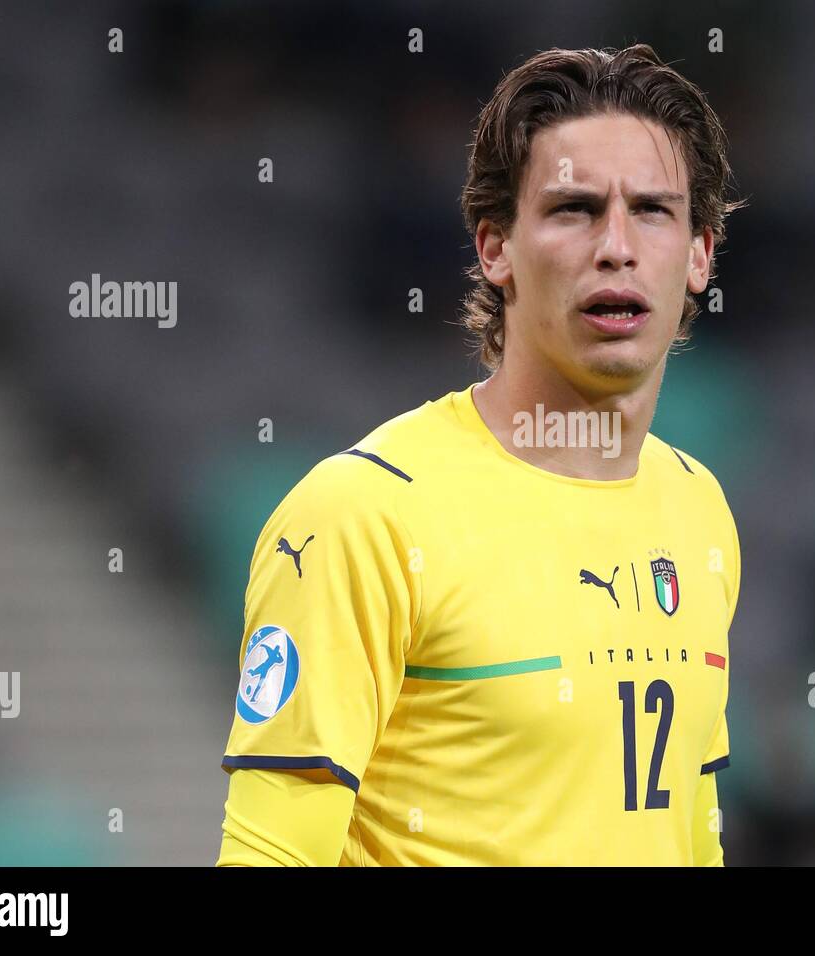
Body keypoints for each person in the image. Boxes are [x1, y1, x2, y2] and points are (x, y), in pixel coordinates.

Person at [217, 43, 745, 865]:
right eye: (573, 208)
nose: (616, 245)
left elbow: (691, 834)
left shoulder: (699, 507)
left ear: (700, 253)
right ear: (494, 248)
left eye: (651, 209)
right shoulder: (366, 515)